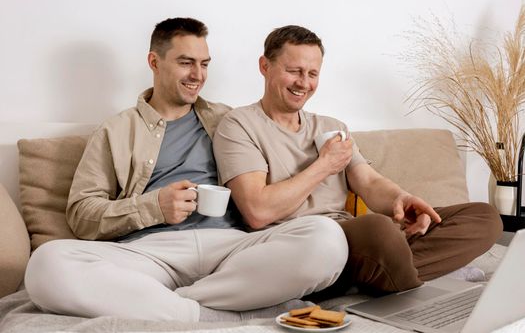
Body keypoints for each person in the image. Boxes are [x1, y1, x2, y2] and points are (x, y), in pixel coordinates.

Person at [24, 18, 349, 322]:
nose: (198, 75)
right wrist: (153, 207)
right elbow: (82, 214)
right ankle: (213, 315)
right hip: (148, 255)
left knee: (327, 239)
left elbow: (275, 176)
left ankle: (169, 304)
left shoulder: (232, 120)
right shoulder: (116, 130)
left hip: (233, 251)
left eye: (204, 64)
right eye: (185, 62)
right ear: (154, 62)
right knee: (46, 264)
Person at [212, 25, 503, 298]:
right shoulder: (239, 125)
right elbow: (258, 212)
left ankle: (379, 274)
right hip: (301, 245)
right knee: (378, 229)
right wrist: (324, 165)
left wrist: (402, 199)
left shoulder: (329, 125)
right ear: (265, 66)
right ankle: (397, 277)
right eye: (294, 71)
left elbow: (368, 180)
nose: (304, 83)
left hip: (356, 242)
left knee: (484, 217)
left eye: (313, 73)